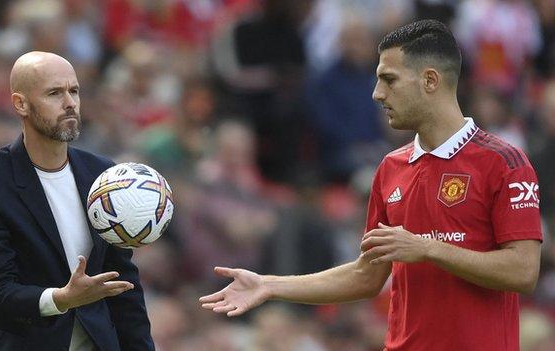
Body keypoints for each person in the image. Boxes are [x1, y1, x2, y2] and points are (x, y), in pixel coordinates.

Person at [200, 20, 542, 351]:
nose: (378, 94)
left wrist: (428, 249)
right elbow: (367, 275)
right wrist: (268, 284)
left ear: (430, 80)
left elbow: (523, 270)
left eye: (389, 80)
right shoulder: (391, 167)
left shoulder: (505, 163)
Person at [0, 52, 154, 350]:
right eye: (54, 93)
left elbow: (123, 283)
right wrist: (61, 299)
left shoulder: (102, 174)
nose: (70, 102)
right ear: (20, 104)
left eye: (74, 91)